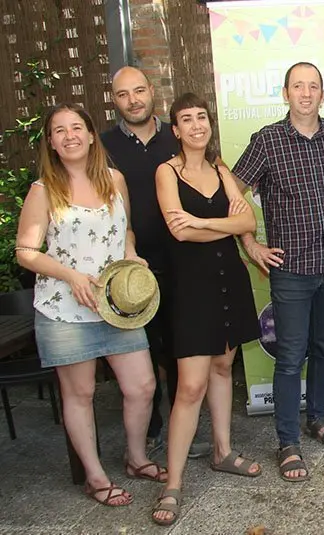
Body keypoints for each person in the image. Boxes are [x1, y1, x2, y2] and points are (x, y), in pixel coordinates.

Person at [15, 103, 165, 506]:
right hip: (65, 309)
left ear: (91, 134)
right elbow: (26, 251)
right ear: (50, 141)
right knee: (79, 394)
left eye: (76, 127)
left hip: (117, 305)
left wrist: (131, 253)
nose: (69, 136)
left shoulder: (115, 180)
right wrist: (71, 276)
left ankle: (136, 458)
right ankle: (95, 477)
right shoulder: (44, 190)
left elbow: (126, 231)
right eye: (59, 130)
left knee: (142, 386)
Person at [233, 62, 324, 482]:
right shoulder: (267, 141)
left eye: (314, 86)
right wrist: (250, 243)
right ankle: (288, 441)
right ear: (285, 92)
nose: (306, 93)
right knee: (290, 357)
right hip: (291, 270)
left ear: (323, 94)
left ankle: (317, 418)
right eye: (298, 86)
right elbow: (232, 191)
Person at [150, 93, 262, 525]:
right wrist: (215, 225)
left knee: (222, 366)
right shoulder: (167, 171)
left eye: (202, 117)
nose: (196, 125)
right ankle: (173, 484)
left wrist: (202, 222)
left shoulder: (220, 169)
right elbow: (178, 232)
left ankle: (222, 451)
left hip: (228, 281)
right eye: (186, 119)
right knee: (189, 386)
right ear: (175, 130)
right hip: (192, 287)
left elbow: (247, 223)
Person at [101, 66, 211, 459]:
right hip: (132, 273)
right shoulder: (104, 145)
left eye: (139, 91)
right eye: (123, 94)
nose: (133, 100)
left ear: (152, 92)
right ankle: (152, 431)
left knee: (183, 350)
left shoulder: (179, 134)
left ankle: (190, 429)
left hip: (185, 262)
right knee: (143, 355)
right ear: (114, 101)